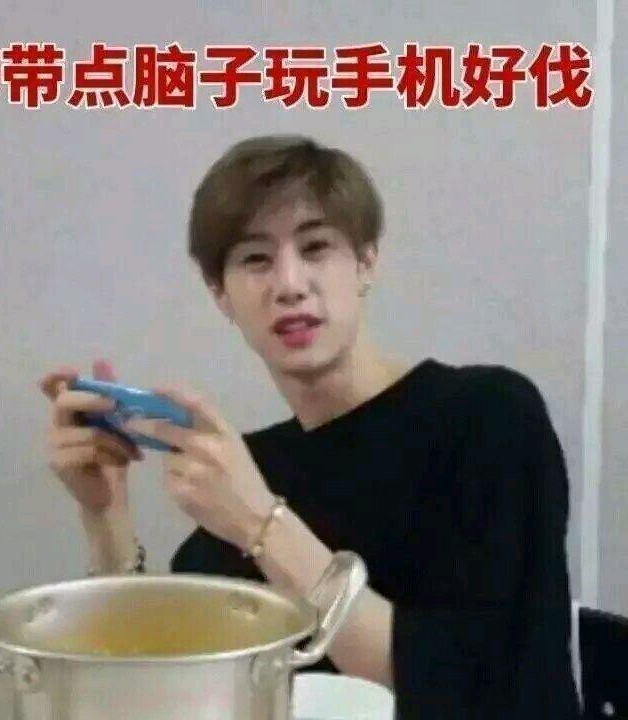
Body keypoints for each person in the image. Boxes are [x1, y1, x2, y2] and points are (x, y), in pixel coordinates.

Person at [39, 135, 580, 719]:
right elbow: (167, 686)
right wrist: (106, 516)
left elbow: (483, 691)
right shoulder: (250, 469)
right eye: (255, 260)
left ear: (366, 261)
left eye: (316, 247)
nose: (290, 284)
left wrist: (261, 523)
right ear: (221, 294)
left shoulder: (488, 418)